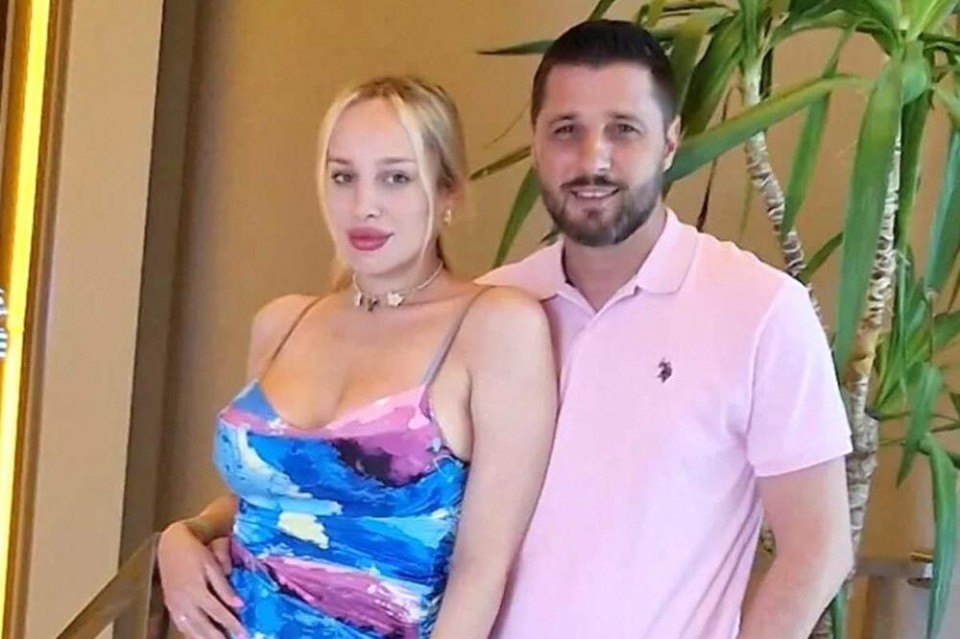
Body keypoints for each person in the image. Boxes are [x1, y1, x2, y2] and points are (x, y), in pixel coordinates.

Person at [479, 19, 854, 639]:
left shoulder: (761, 310)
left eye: (623, 130)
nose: (593, 159)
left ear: (670, 143)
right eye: (567, 130)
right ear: (537, 144)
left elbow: (819, 547)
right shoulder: (490, 308)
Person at [156, 76, 558, 639]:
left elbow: (482, 572)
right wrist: (185, 536)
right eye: (344, 177)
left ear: (447, 192)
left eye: (396, 177)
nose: (364, 206)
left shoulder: (496, 327)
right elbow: (278, 494)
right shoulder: (282, 323)